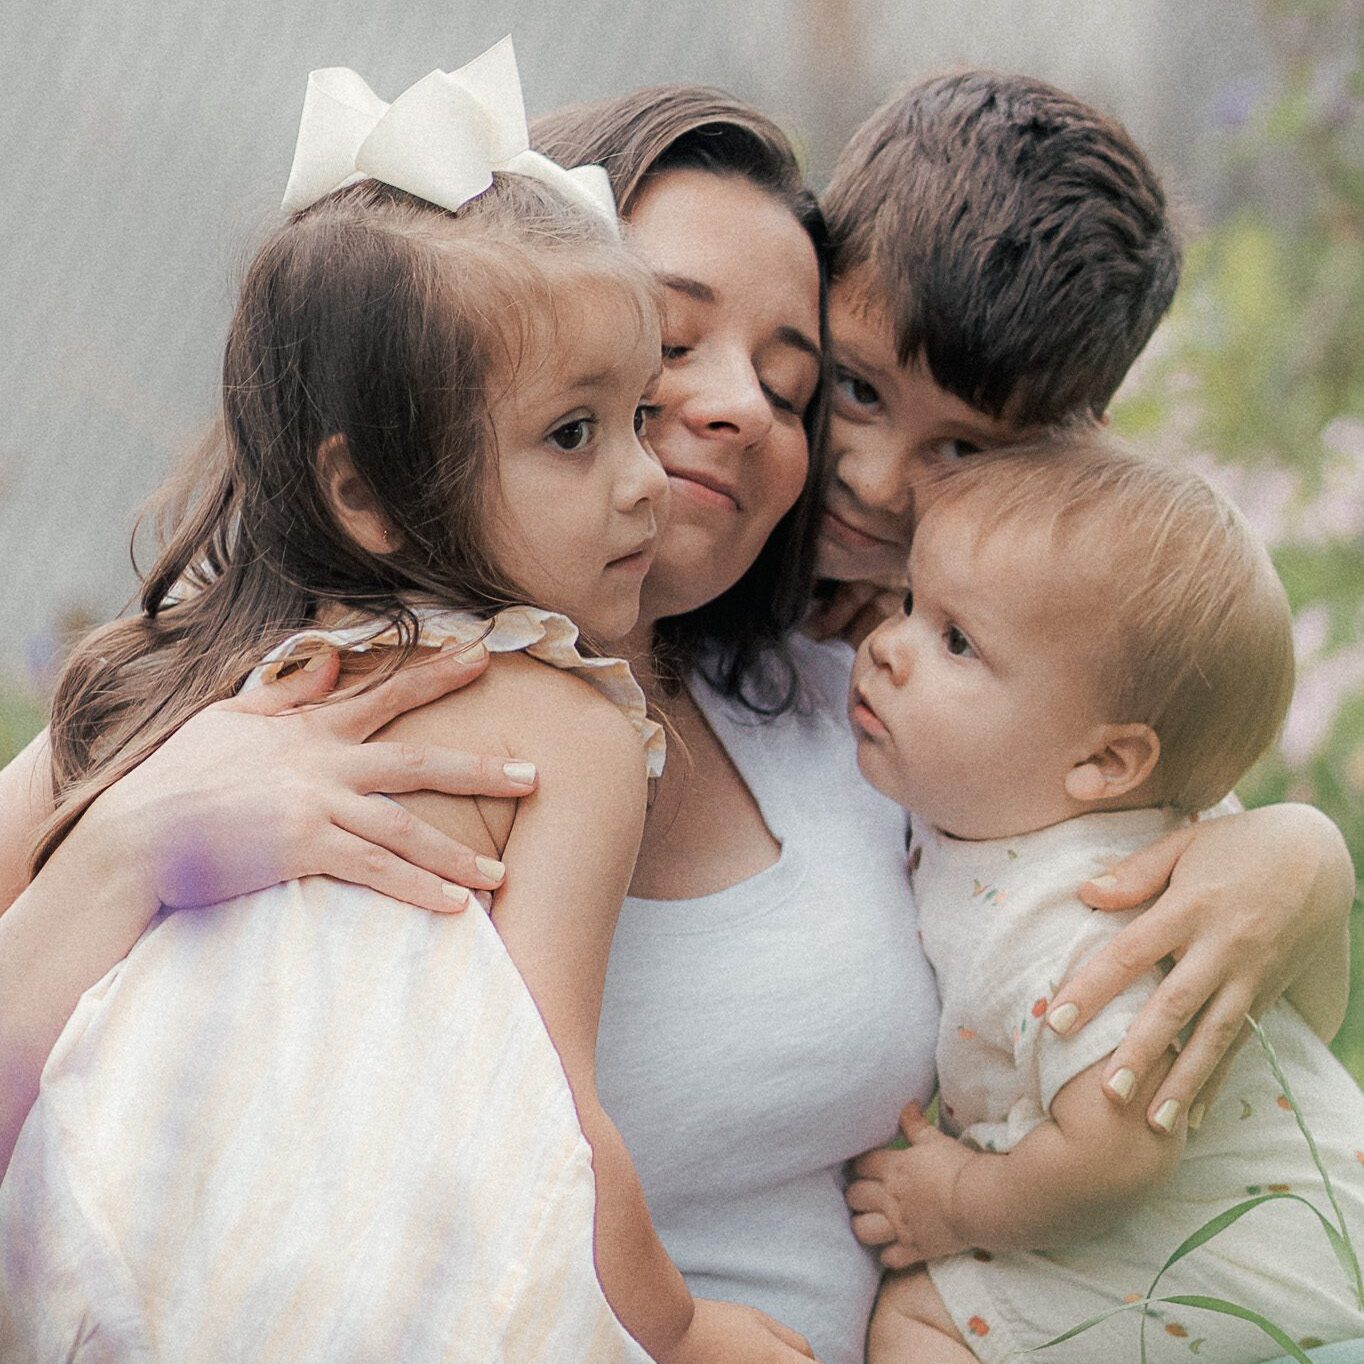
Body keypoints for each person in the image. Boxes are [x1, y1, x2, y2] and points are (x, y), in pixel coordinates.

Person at [0, 73, 1355, 1364]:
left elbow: (1145, 860)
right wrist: (134, 843)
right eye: (668, 335)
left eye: (792, 382)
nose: (729, 407)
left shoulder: (875, 705)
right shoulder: (257, 691)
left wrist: (1300, 857)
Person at [0, 46, 816, 1364]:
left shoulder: (206, 674)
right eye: (578, 432)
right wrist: (693, 1329)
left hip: (95, 1270)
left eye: (637, 415)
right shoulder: (571, 724)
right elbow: (551, 1125)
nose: (647, 478)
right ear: (367, 492)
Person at [815, 68, 1354, 1131]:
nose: (876, 482)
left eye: (962, 445)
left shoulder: (1049, 653)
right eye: (856, 387)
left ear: (1073, 443)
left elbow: (1283, 994)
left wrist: (1304, 858)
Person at [847, 433, 1364, 1361]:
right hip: (1279, 1231)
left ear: (1103, 763)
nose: (887, 647)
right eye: (910, 604)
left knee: (921, 1319)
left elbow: (1120, 1149)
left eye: (956, 641)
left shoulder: (1079, 913)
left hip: (1255, 1263)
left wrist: (958, 1205)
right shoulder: (1036, 809)